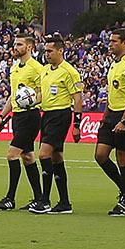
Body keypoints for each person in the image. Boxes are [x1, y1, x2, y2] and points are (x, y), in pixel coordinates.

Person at [0, 32, 46, 211]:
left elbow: (43, 93)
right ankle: (39, 198)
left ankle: (10, 198)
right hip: (17, 117)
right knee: (28, 157)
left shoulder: (38, 68)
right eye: (15, 45)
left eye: (19, 45)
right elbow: (12, 95)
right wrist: (2, 116)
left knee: (12, 154)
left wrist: (31, 101)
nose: (15, 48)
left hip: (30, 116)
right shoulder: (14, 68)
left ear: (29, 47)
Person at [95, 29, 125, 216]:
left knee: (122, 157)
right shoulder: (114, 64)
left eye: (114, 41)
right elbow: (112, 93)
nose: (111, 44)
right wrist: (105, 116)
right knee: (100, 155)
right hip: (112, 114)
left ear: (124, 43)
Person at [34, 34, 84, 214]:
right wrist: (30, 101)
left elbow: (78, 99)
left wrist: (76, 125)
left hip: (60, 115)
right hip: (47, 115)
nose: (46, 54)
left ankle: (44, 200)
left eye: (50, 51)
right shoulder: (45, 70)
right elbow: (42, 95)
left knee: (43, 155)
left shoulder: (69, 71)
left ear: (60, 50)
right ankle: (64, 203)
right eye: (45, 51)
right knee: (56, 158)